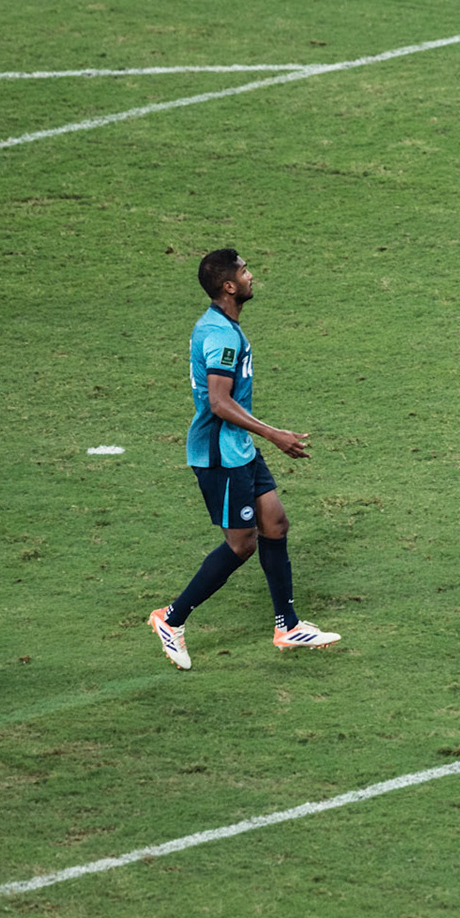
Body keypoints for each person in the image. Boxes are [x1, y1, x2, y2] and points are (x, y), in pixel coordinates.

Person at [149, 250, 339, 671]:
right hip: (221, 454)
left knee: (275, 523)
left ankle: (288, 626)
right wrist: (274, 434)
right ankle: (171, 619)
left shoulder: (220, 326)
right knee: (242, 544)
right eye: (244, 271)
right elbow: (219, 403)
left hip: (238, 448)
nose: (252, 276)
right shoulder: (220, 336)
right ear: (229, 286)